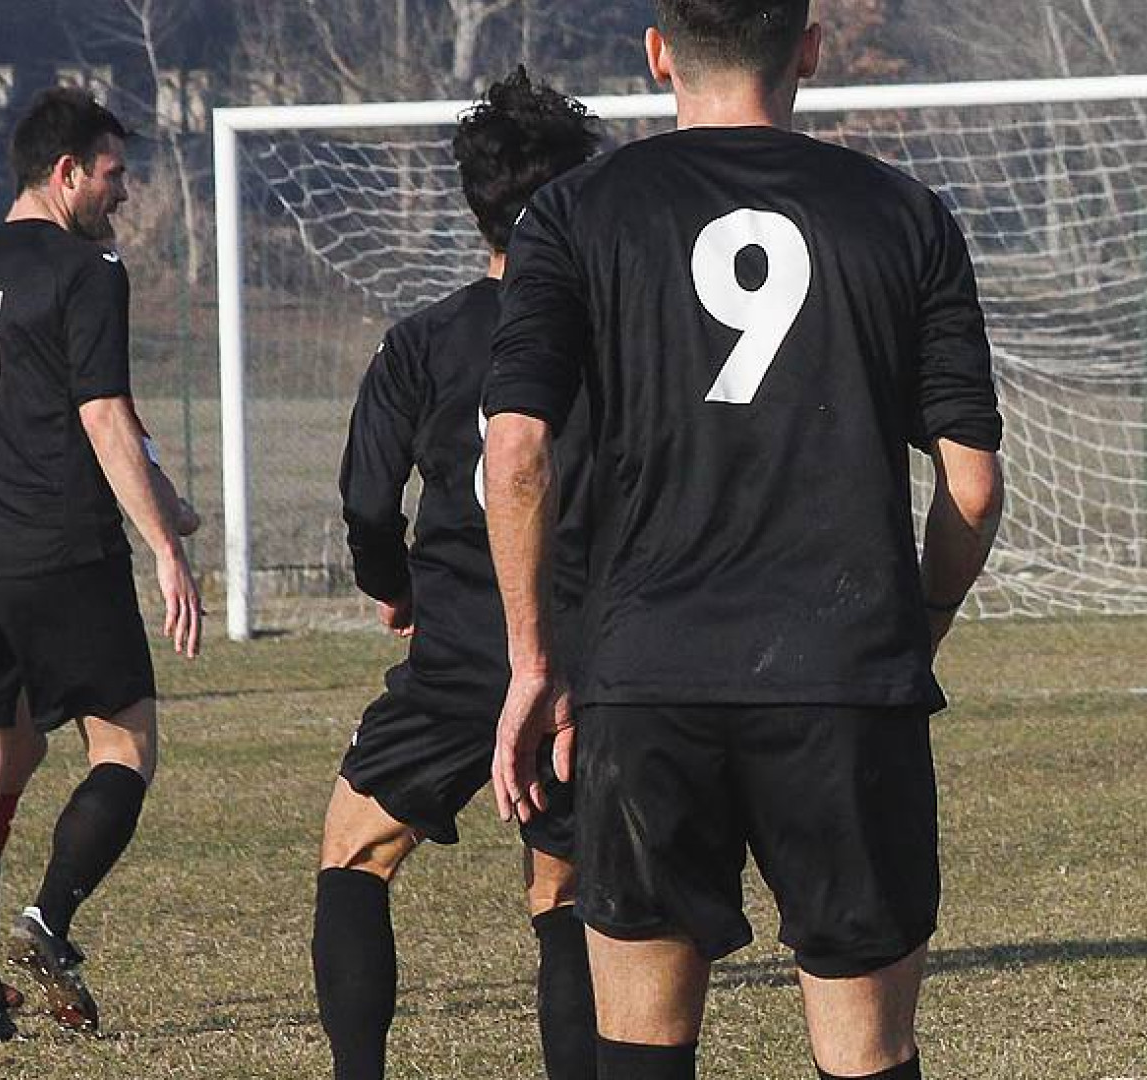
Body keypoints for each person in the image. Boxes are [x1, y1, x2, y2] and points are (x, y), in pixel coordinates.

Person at [484, 3, 1005, 1078]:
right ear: (808, 49)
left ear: (659, 53)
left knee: (638, 1053)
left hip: (646, 680)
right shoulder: (906, 215)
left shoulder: (576, 213)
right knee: (867, 1054)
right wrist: (917, 630)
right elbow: (973, 485)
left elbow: (519, 452)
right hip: (845, 677)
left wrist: (537, 660)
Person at [314, 68, 601, 1080]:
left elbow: (364, 497)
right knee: (561, 894)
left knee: (354, 851)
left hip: (460, 656)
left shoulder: (425, 340)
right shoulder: (608, 336)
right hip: (575, 660)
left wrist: (390, 582)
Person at [0, 86, 202, 1042]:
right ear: (67, 172)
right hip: (60, 553)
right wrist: (166, 545)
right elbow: (101, 412)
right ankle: (50, 915)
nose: (124, 193)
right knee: (125, 746)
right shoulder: (86, 270)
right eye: (115, 174)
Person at [0, 430, 198, 1006]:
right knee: (26, 750)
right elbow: (112, 429)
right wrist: (174, 517)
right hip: (2, 549)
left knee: (7, 749)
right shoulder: (60, 345)